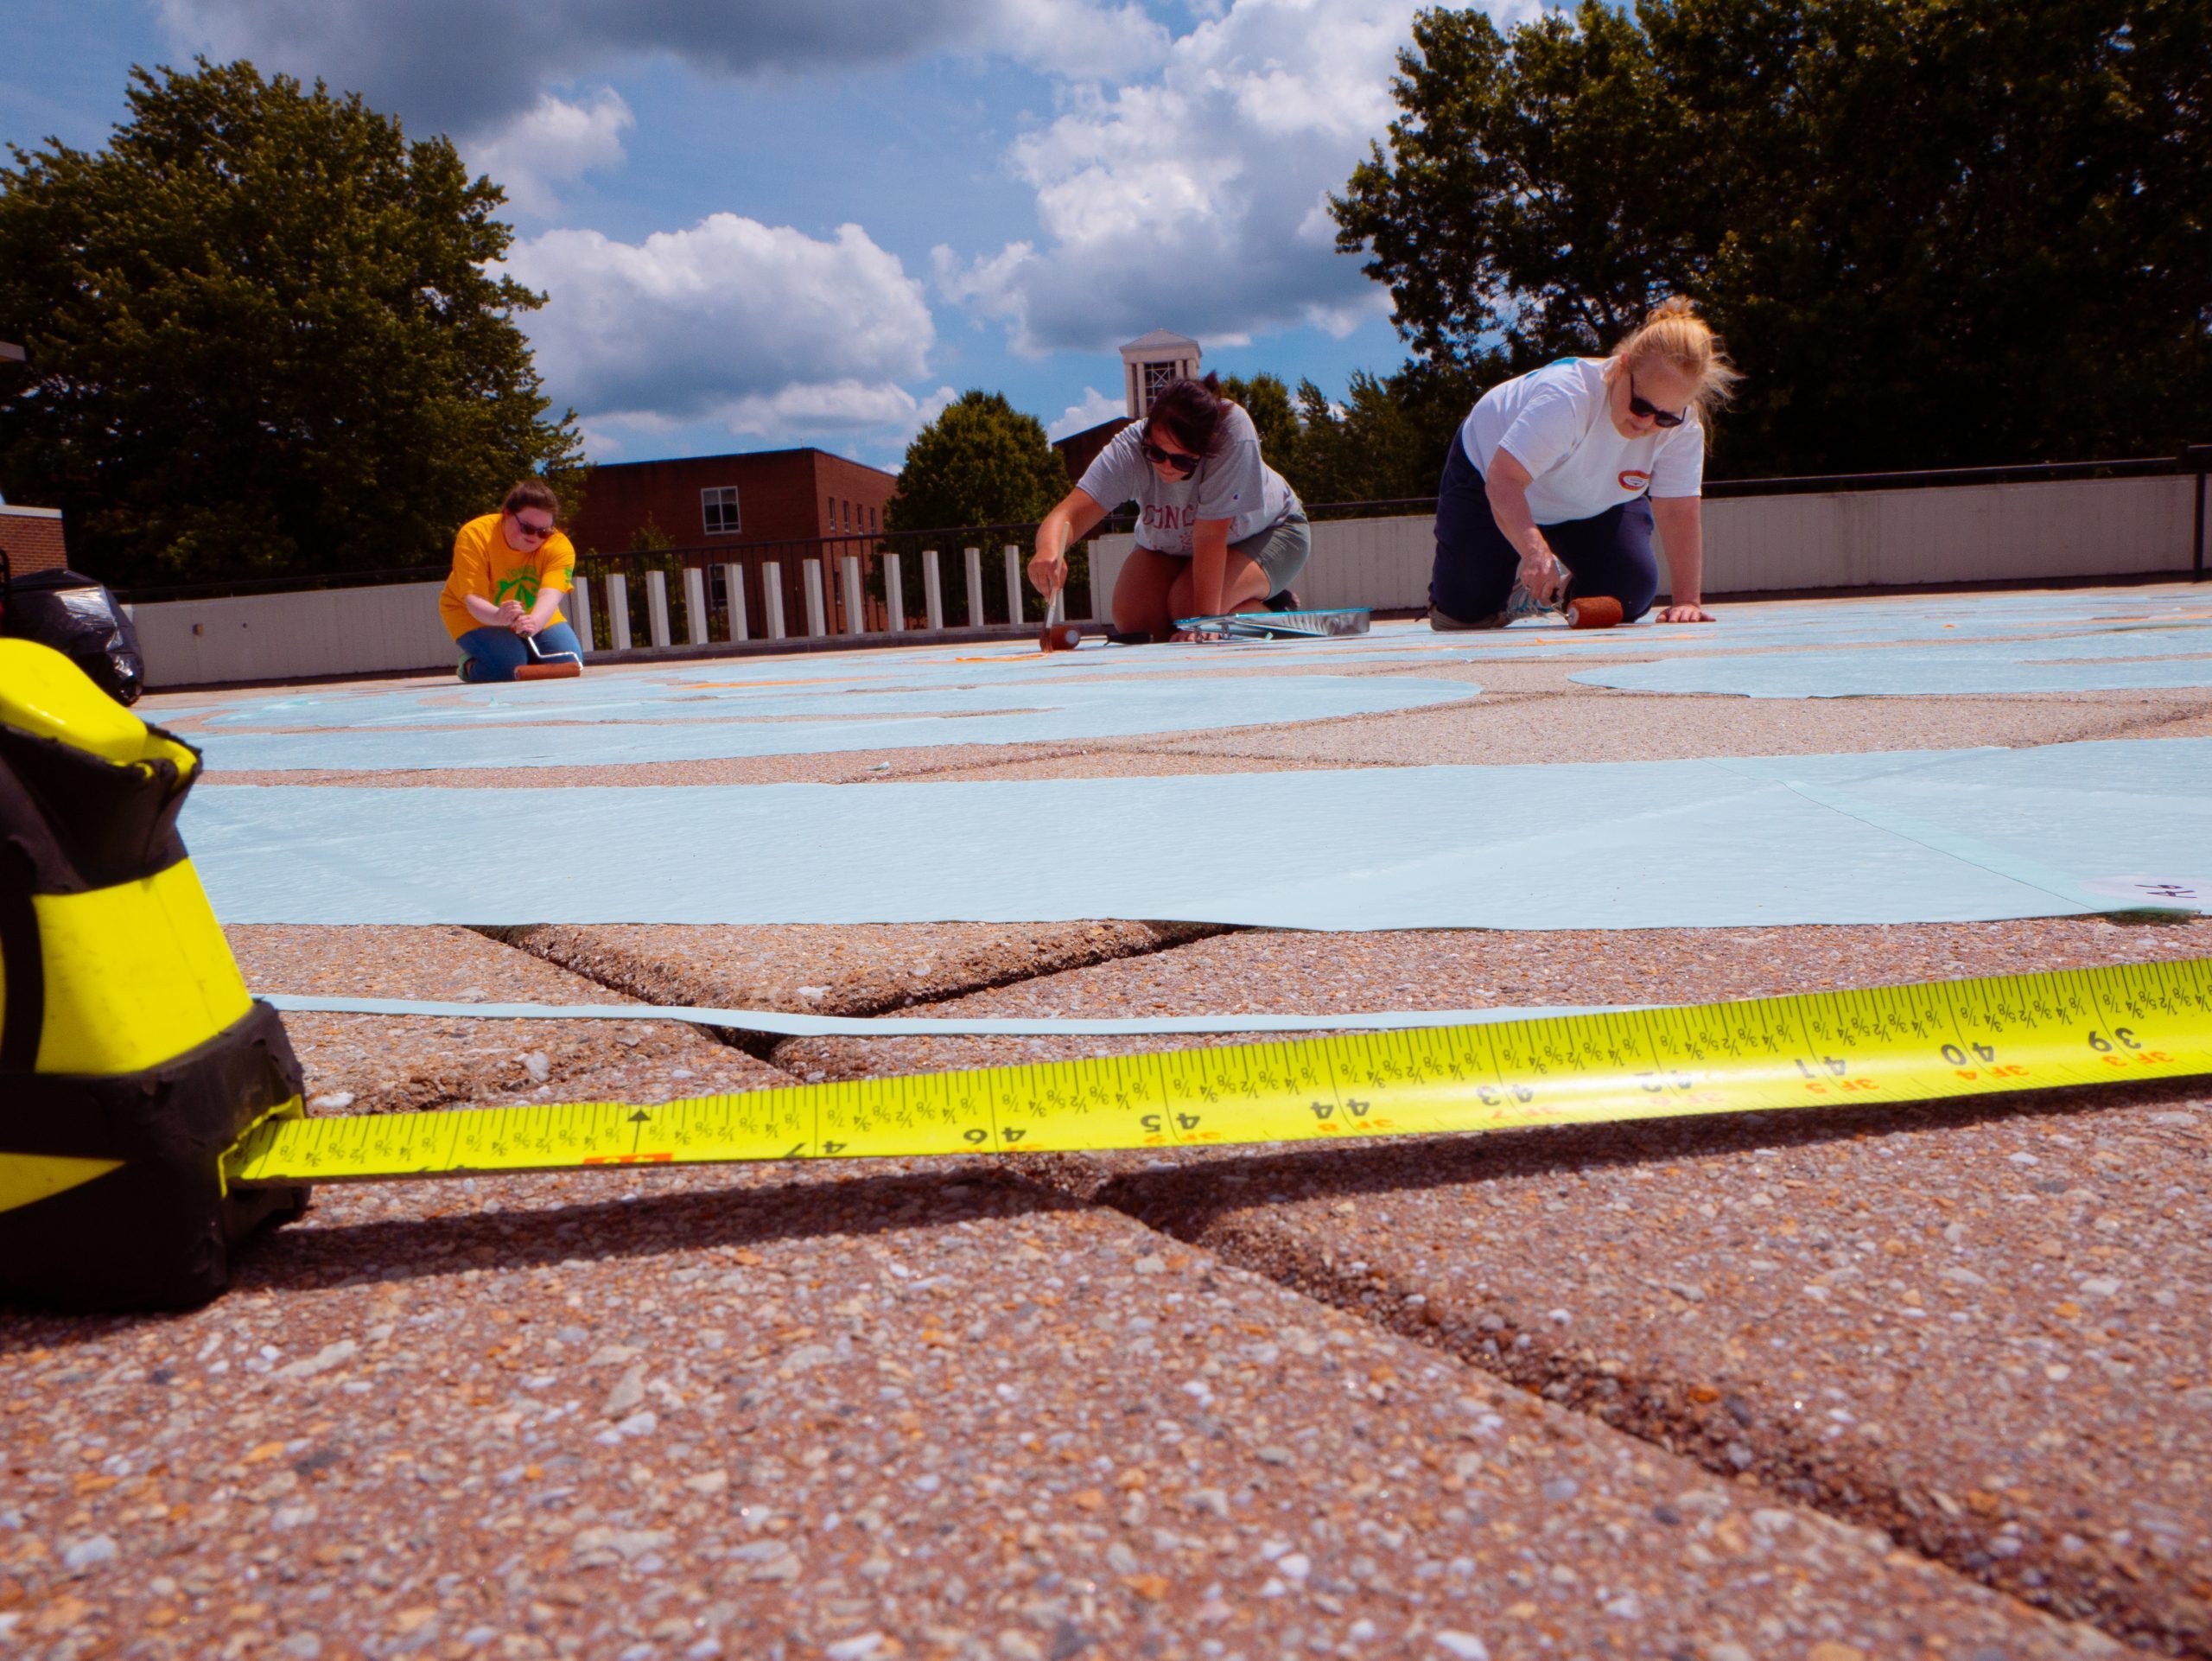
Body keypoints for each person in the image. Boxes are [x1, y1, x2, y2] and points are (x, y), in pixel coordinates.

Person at [1429, 296, 1739, 630]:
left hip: (1592, 499)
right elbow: (1504, 480)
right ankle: (1498, 589)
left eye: (1665, 417)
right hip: (1492, 477)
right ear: (1621, 367)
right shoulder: (1567, 397)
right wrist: (1534, 551)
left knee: (1629, 595)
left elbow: (1678, 510)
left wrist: (1686, 602)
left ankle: (1549, 594)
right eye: (1641, 406)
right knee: (1463, 613)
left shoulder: (1684, 424)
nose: (1647, 424)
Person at [1029, 375, 1308, 641]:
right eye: (1156, 453)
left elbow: (1210, 535)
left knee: (1187, 612)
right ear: (1147, 432)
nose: (1166, 466)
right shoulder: (1128, 447)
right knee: (1136, 623)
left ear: (1206, 450)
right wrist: (1049, 551)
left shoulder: (1231, 431)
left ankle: (1274, 610)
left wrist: (1205, 621)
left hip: (1270, 531)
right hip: (1180, 547)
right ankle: (1231, 604)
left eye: (1183, 462)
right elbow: (1067, 514)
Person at [440, 480, 587, 682]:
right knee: (508, 667)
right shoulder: (475, 535)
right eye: (527, 528)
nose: (535, 537)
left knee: (569, 661)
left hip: (533, 613)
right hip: (474, 614)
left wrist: (534, 622)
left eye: (544, 532)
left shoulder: (560, 547)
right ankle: (469, 666)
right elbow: (474, 599)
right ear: (507, 514)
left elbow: (549, 595)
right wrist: (499, 615)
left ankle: (523, 657)